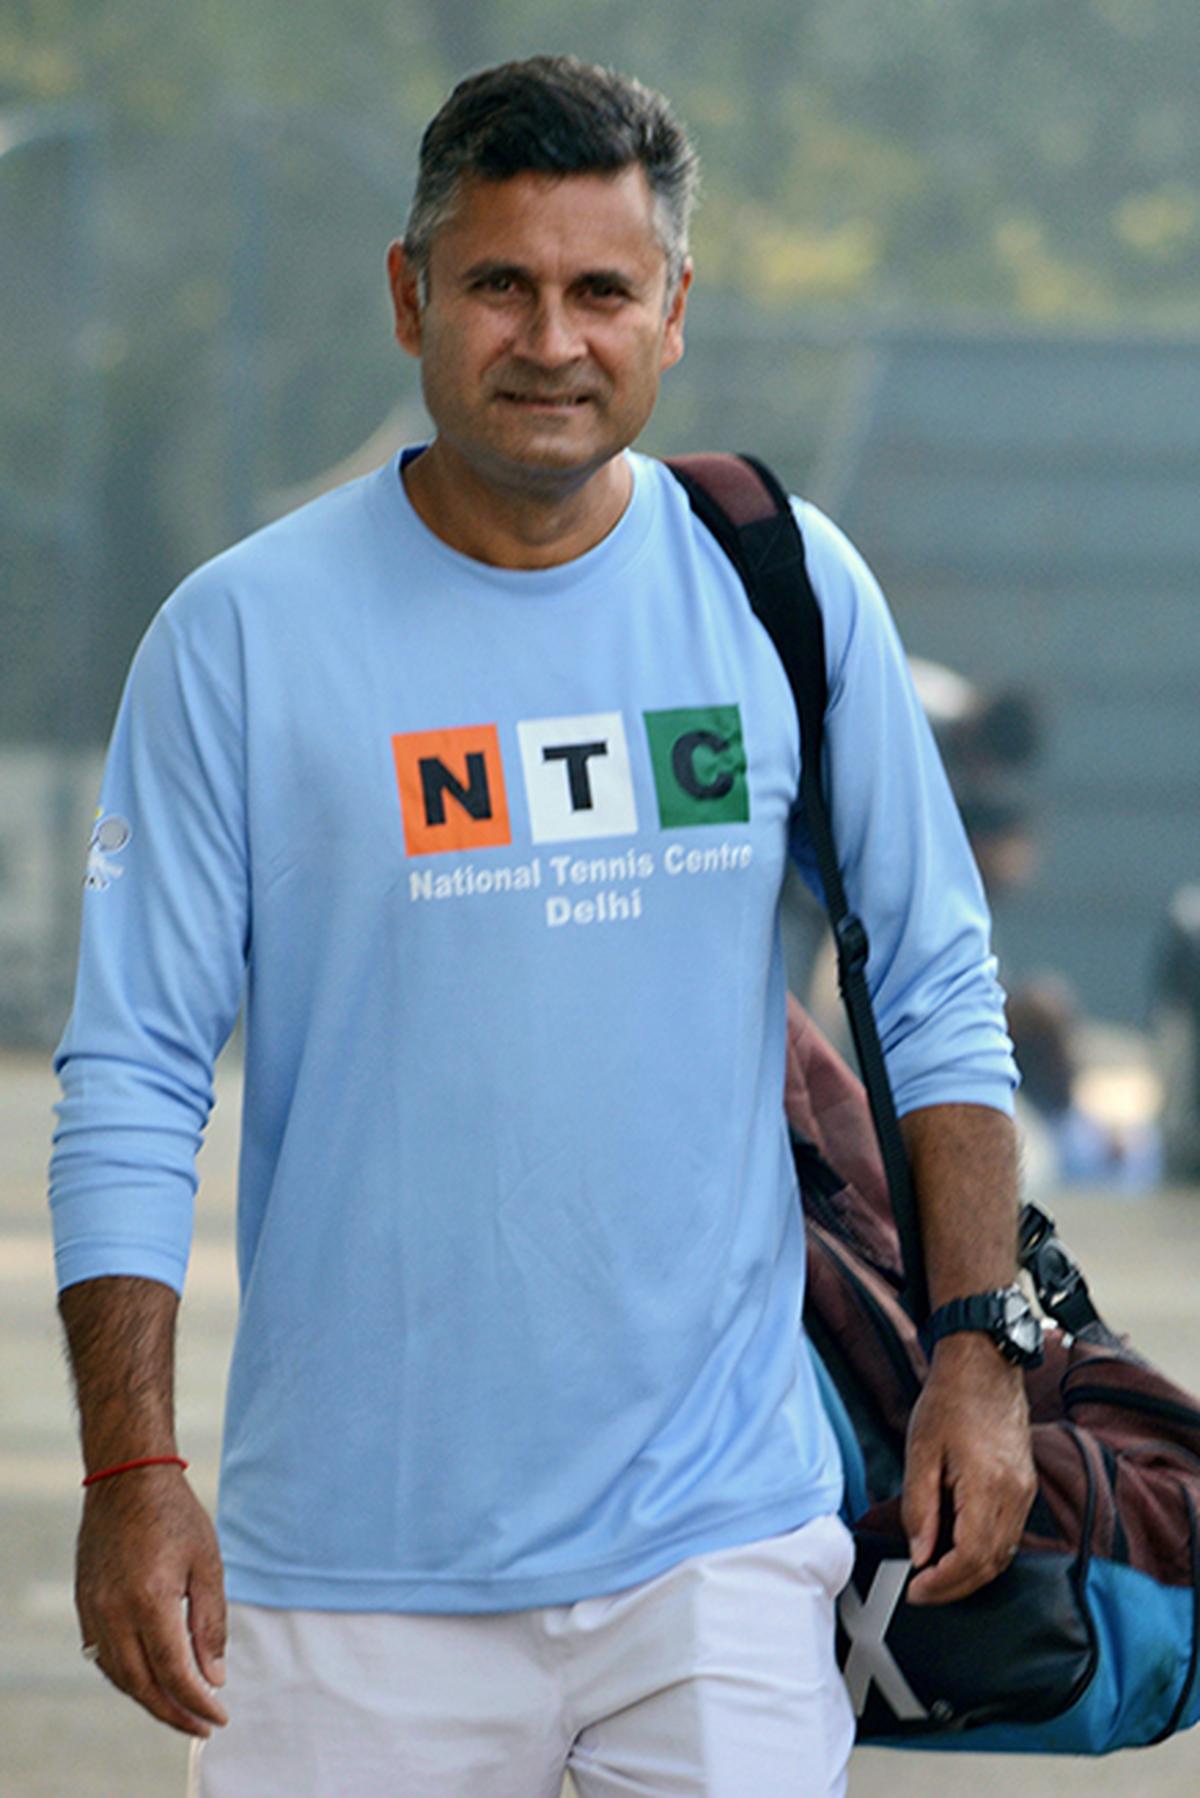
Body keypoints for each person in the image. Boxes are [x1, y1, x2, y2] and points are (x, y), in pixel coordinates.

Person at [49, 55, 1035, 1798]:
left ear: (674, 312)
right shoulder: (240, 638)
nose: (553, 340)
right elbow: (132, 1075)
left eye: (603, 291)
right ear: (408, 295)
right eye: (501, 284)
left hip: (716, 1552)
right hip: (345, 1582)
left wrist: (981, 1347)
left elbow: (938, 981)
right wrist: (132, 1471)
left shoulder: (784, 587)